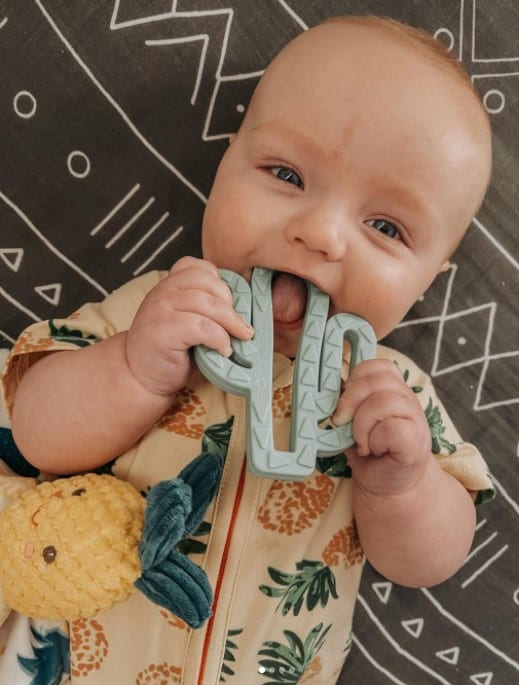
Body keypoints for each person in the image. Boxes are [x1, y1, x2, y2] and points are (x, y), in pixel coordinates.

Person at [1, 15, 494, 685]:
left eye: (384, 226)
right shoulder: (155, 308)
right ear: (224, 165)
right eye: (285, 174)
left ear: (428, 278)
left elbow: (430, 560)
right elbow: (34, 432)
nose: (319, 232)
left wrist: (402, 485)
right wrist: (133, 368)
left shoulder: (387, 391)